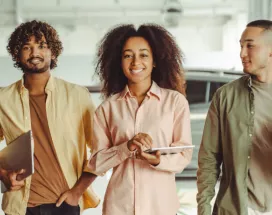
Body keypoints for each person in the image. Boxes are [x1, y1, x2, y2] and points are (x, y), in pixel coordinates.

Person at [86, 24, 193, 215]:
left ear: (154, 61)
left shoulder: (175, 102)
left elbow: (184, 155)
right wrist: (125, 148)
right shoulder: (108, 108)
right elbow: (96, 163)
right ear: (119, 61)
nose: (136, 62)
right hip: (120, 207)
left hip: (161, 207)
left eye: (143, 55)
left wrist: (157, 161)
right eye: (128, 55)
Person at [0, 20, 99, 215]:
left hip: (65, 204)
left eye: (42, 46)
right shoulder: (2, 99)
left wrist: (77, 192)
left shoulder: (77, 95)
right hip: (22, 207)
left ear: (52, 52)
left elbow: (100, 148)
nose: (35, 53)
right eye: (27, 47)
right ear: (17, 55)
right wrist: (3, 174)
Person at [197, 19, 272, 215]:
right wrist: (203, 208)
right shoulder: (225, 96)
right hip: (235, 208)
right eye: (241, 46)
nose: (242, 53)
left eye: (250, 46)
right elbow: (209, 158)